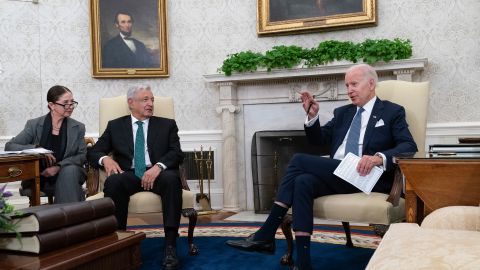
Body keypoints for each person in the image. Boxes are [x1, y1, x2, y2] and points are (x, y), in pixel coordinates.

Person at [226, 64, 418, 269]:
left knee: (299, 160)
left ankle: (266, 233)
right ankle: (304, 262)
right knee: (302, 181)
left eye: (354, 83)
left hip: (368, 176)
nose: (349, 89)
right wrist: (312, 116)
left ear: (371, 84)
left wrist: (378, 158)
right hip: (340, 173)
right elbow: (319, 140)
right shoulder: (343, 112)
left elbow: (409, 146)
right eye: (347, 85)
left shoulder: (391, 111)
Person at [87, 85, 184, 270]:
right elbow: (94, 152)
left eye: (152, 100)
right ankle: (118, 240)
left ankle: (170, 245)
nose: (150, 104)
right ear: (131, 103)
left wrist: (159, 166)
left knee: (172, 180)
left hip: (158, 173)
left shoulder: (167, 124)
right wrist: (105, 159)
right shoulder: (115, 125)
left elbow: (176, 153)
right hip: (129, 174)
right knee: (114, 182)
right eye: (145, 100)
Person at [5, 85, 87, 203]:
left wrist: (58, 167)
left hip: (70, 172)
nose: (70, 107)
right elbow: (10, 146)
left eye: (72, 102)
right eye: (65, 103)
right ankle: (71, 217)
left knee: (69, 172)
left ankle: (64, 218)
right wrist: (38, 149)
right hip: (40, 176)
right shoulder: (34, 124)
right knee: (75, 191)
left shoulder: (78, 127)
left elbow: (81, 156)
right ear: (52, 105)